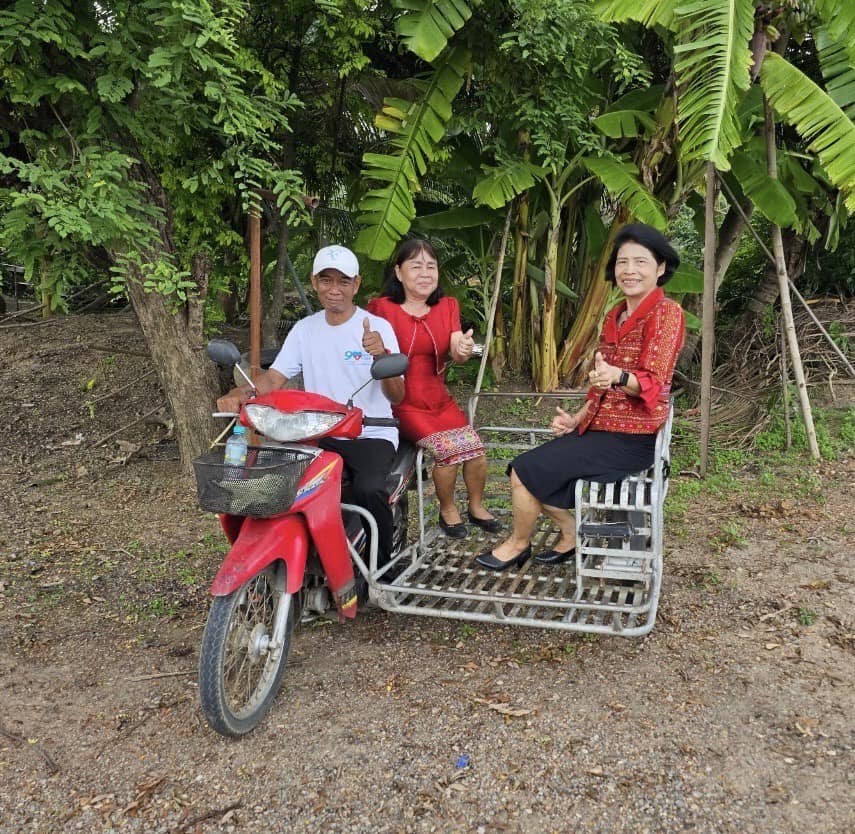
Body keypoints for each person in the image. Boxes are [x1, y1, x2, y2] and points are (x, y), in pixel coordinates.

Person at [475, 223, 685, 571]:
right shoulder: (615, 315)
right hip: (602, 432)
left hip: (633, 438)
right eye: (622, 262)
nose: (629, 270)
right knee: (527, 469)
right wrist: (577, 418)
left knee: (525, 471)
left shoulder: (666, 313)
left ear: (660, 267)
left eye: (640, 262)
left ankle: (519, 544)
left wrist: (619, 376)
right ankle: (570, 534)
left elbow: (653, 380)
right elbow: (601, 386)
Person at [217, 244, 405, 566]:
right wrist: (241, 392)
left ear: (356, 285)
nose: (335, 290)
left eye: (343, 282)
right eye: (326, 280)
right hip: (317, 432)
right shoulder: (305, 330)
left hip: (370, 433)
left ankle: (383, 566)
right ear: (315, 283)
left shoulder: (377, 328)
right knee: (277, 484)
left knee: (369, 488)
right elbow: (274, 378)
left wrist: (382, 355)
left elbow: (397, 395)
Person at [367, 238, 500, 539]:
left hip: (438, 399)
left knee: (476, 450)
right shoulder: (381, 308)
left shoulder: (446, 306)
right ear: (399, 273)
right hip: (401, 401)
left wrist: (464, 347)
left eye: (431, 266)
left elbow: (456, 346)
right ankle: (447, 509)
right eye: (416, 266)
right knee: (448, 450)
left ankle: (476, 507)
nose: (425, 273)